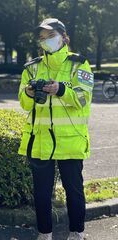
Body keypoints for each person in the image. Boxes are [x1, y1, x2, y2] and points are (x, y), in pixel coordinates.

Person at [18, 18, 94, 240]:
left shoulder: (79, 64)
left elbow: (84, 98)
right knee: (41, 193)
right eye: (42, 38)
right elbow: (23, 103)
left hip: (70, 140)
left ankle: (77, 232)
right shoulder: (31, 67)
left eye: (50, 36)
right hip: (40, 140)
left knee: (74, 190)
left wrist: (61, 89)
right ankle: (44, 233)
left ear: (63, 36)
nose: (45, 41)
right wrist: (30, 94)